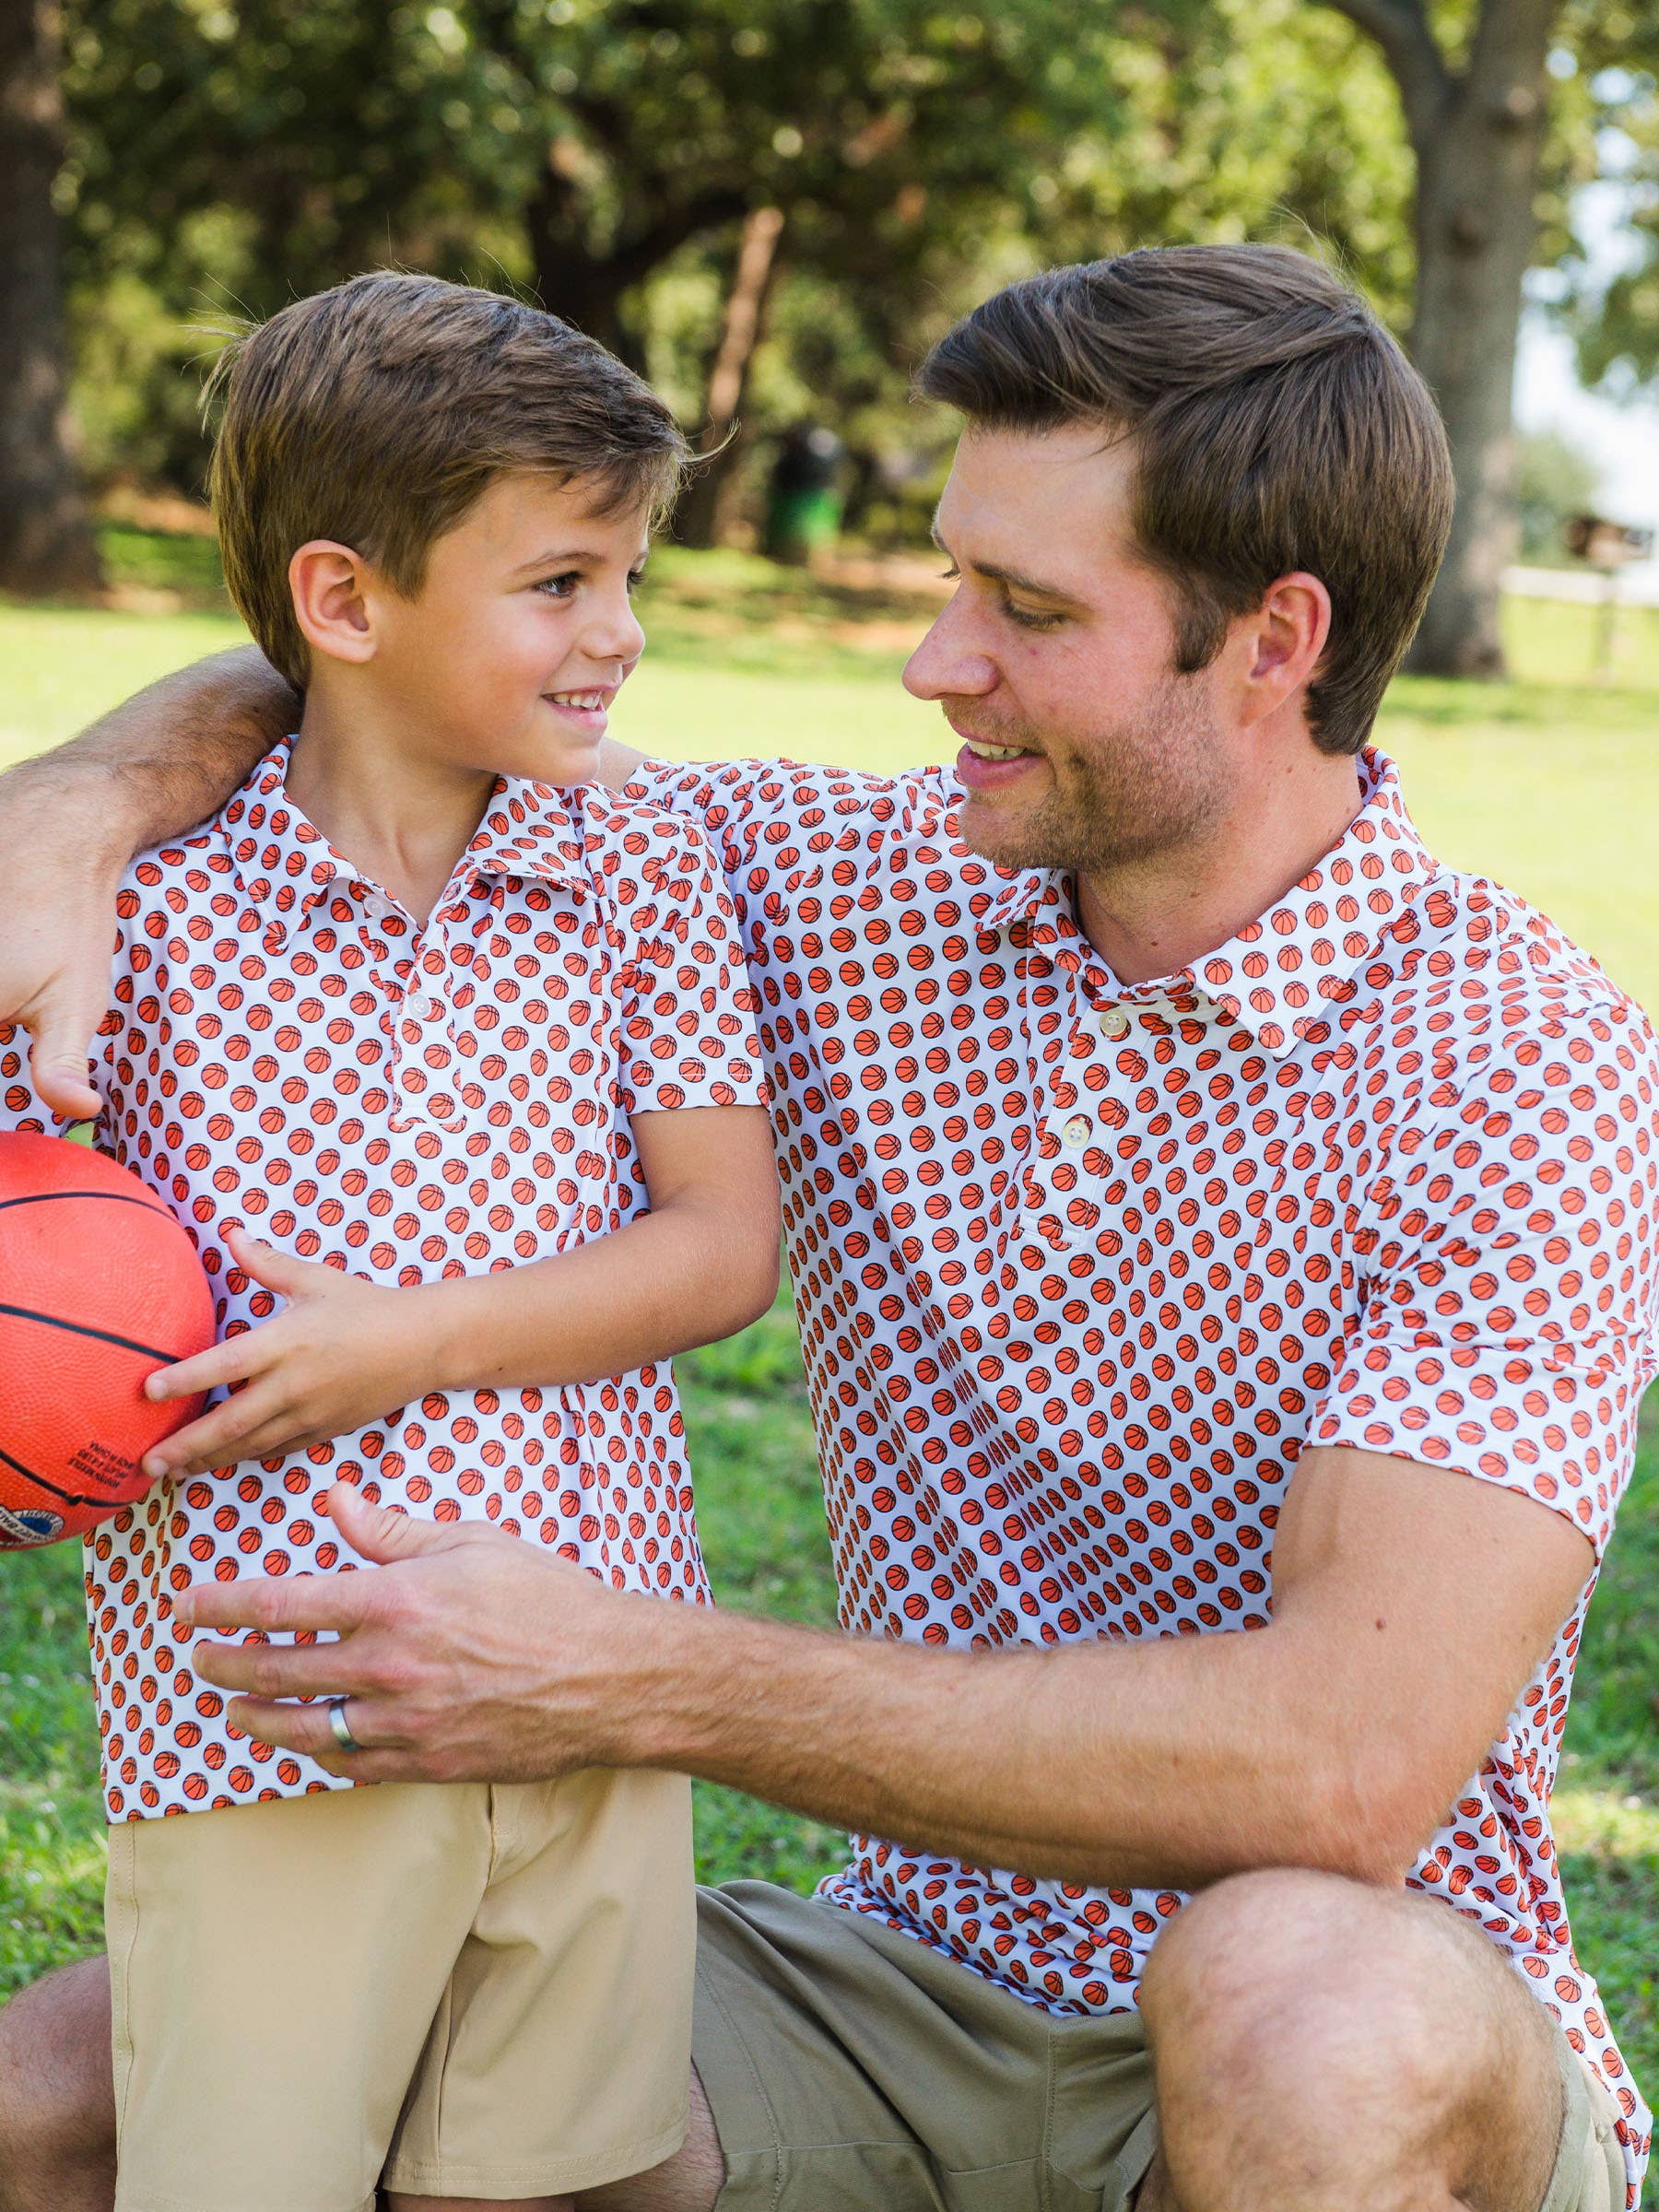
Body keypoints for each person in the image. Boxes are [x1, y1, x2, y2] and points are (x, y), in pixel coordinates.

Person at [0, 242, 1651, 2212]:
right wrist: (75, 799)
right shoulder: (820, 880)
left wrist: (637, 1670)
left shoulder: (1527, 1062)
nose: (934, 660)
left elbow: (1340, 1772)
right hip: (887, 1988)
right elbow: (395, 660)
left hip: (1344, 1990)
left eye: (1024, 608)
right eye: (955, 576)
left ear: (1277, 638)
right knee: (71, 2090)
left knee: (1294, 1996)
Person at [0, 271, 782, 2212]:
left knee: (540, 2185)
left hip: (590, 1688)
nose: (624, 634)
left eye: (628, 575)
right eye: (562, 583)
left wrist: (401, 1344)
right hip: (264, 1722)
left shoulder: (639, 868)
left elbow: (717, 1252)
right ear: (345, 603)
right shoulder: (148, 913)